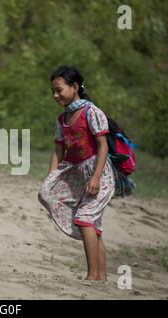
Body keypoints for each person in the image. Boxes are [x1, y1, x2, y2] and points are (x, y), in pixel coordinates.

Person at [38, 66, 115, 281]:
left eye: (59, 90)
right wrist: (50, 180)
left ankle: (92, 277)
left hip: (99, 175)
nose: (55, 95)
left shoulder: (91, 112)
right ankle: (101, 278)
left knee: (84, 220)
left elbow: (103, 146)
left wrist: (96, 177)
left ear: (75, 87)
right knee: (92, 226)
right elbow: (58, 151)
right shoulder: (62, 120)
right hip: (78, 175)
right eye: (52, 91)